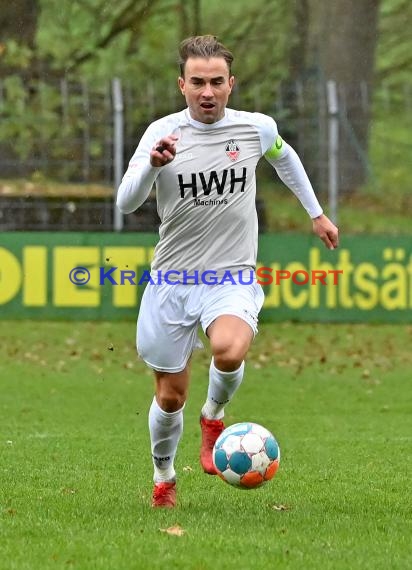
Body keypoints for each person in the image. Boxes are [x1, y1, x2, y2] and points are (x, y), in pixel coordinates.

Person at [116, 35, 339, 508]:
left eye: (217, 82)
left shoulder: (256, 129)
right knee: (170, 397)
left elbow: (286, 158)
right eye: (198, 82)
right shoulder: (161, 135)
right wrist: (154, 167)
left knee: (229, 348)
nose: (208, 92)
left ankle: (214, 416)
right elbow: (126, 201)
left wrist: (316, 213)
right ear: (182, 85)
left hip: (231, 275)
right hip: (173, 281)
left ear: (231, 84)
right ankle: (164, 476)